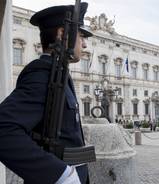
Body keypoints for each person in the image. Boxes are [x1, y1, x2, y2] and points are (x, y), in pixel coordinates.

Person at [0, 2, 92, 184]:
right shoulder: (42, 74)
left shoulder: (58, 74)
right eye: (81, 36)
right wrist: (59, 174)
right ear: (63, 33)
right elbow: (3, 129)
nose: (85, 44)